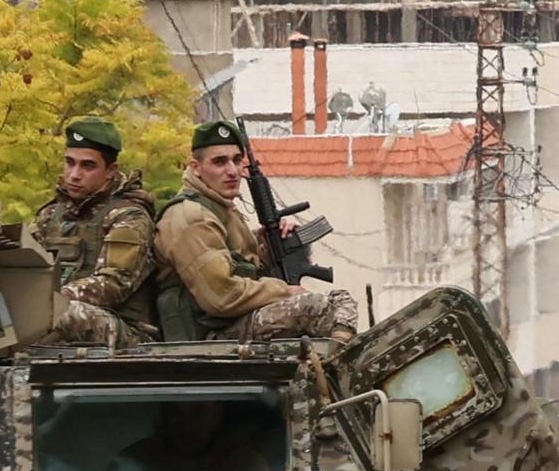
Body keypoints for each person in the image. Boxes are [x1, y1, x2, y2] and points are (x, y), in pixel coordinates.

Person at [155, 120, 353, 343]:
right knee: (314, 307)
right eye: (219, 162)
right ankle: (335, 368)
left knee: (341, 301)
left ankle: (334, 364)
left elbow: (248, 267)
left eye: (237, 160)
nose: (232, 171)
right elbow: (222, 296)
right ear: (196, 168)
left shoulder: (220, 208)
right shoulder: (191, 218)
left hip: (231, 321)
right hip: (208, 333)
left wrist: (271, 243)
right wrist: (285, 291)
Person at [31, 116, 160, 345]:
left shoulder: (129, 216)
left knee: (63, 313)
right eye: (70, 162)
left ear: (111, 170)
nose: (74, 174)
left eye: (87, 165)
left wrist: (52, 300)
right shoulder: (50, 215)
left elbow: (114, 284)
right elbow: (27, 270)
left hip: (125, 332)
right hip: (56, 315)